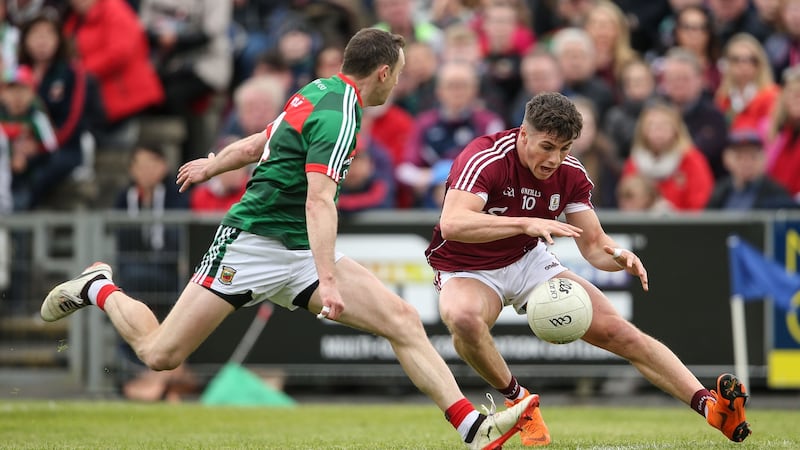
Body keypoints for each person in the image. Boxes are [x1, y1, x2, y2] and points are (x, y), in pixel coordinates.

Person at [38, 28, 538, 450]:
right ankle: (97, 286)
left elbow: (261, 142)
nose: (400, 82)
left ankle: (471, 428)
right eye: (400, 73)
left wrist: (214, 163)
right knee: (160, 355)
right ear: (383, 73)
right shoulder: (339, 113)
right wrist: (329, 281)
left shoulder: (317, 89)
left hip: (297, 251)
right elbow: (319, 200)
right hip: (251, 246)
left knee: (403, 321)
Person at [425, 91, 752, 446]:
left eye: (565, 148)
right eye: (547, 146)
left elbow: (594, 245)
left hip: (526, 260)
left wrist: (618, 257)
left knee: (621, 334)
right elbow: (454, 223)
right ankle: (520, 402)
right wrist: (525, 223)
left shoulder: (570, 173)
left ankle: (711, 407)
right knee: (463, 319)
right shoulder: (485, 157)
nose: (555, 159)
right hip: (467, 266)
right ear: (523, 135)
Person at [706, 128, 796, 210]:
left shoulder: (776, 193)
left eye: (752, 157)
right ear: (727, 160)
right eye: (739, 157)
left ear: (763, 159)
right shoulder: (720, 191)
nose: (746, 163)